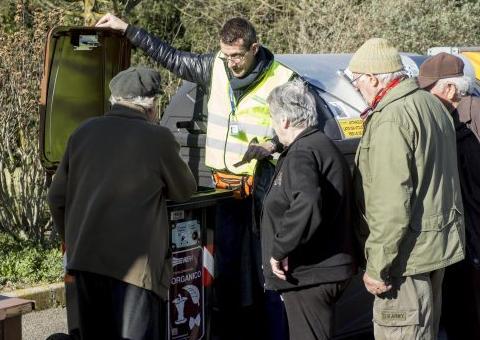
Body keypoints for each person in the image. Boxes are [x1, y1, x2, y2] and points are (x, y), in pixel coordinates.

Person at [96, 14, 294, 340]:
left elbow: (301, 123)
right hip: (221, 193)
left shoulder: (283, 78)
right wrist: (127, 30)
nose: (230, 62)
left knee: (267, 281)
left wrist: (272, 144)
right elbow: (170, 56)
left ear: (254, 48)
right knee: (224, 280)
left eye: (237, 56)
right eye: (226, 54)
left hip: (261, 195)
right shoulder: (213, 66)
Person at [48, 66, 197, 340]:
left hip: (85, 261)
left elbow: (56, 198)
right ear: (152, 105)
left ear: (114, 100)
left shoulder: (82, 132)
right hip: (135, 273)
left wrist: (71, 239)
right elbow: (185, 191)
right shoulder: (158, 138)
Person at [348, 38, 465, 339]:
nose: (357, 88)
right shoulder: (431, 103)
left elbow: (391, 203)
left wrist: (377, 265)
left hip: (404, 262)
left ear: (373, 78)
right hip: (434, 249)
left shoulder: (392, 118)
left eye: (357, 81)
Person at [262, 79, 355, 340]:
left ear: (285, 121)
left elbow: (307, 200)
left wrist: (281, 248)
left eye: (272, 118)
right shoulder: (321, 145)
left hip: (310, 274)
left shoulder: (302, 152)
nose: (273, 125)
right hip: (327, 268)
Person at [417, 52, 480, 340]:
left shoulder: (474, 116)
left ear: (451, 89)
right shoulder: (442, 119)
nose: (424, 96)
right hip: (458, 240)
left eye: (429, 90)